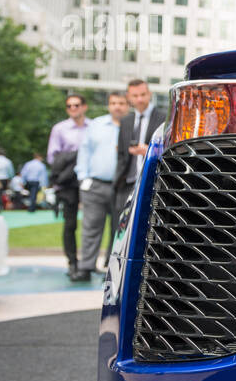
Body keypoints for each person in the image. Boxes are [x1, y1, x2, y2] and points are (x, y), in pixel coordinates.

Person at [69, 92, 129, 280]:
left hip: (122, 186)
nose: (117, 106)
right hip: (95, 185)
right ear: (108, 105)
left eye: (121, 103)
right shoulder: (96, 125)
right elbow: (85, 152)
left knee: (119, 230)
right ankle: (86, 267)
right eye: (113, 103)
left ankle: (112, 269)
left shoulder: (131, 126)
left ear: (127, 105)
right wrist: (83, 179)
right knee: (91, 227)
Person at [47, 93, 91, 278]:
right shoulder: (60, 129)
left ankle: (88, 263)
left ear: (84, 107)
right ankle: (72, 262)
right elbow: (52, 157)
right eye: (69, 106)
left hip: (89, 178)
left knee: (92, 224)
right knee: (70, 223)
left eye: (76, 105)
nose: (73, 108)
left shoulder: (95, 127)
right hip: (69, 181)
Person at [114, 78, 165, 216]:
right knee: (118, 230)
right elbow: (122, 155)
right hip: (126, 184)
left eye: (143, 95)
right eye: (135, 96)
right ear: (128, 97)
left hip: (153, 182)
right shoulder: (126, 121)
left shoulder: (164, 118)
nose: (139, 99)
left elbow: (169, 149)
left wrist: (149, 151)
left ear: (149, 94)